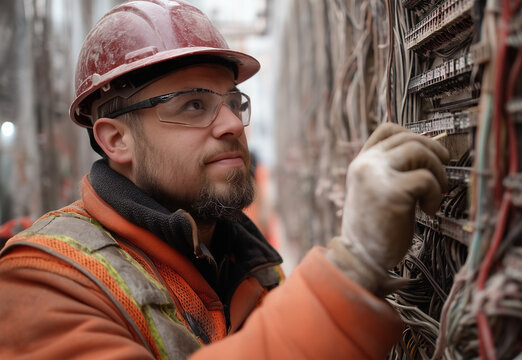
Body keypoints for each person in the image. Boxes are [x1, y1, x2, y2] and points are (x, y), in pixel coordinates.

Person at [0, 1, 449, 359]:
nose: (232, 123)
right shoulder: (44, 282)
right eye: (194, 105)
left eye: (233, 102)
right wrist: (353, 269)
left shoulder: (246, 263)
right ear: (116, 139)